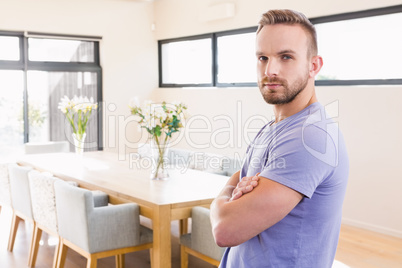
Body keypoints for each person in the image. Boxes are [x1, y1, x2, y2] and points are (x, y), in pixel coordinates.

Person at [210, 9, 349, 268]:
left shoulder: (312, 137)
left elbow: (225, 230)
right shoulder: (272, 128)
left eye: (286, 57)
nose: (270, 69)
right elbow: (240, 177)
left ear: (313, 65)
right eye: (263, 57)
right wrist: (232, 194)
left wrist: (219, 202)